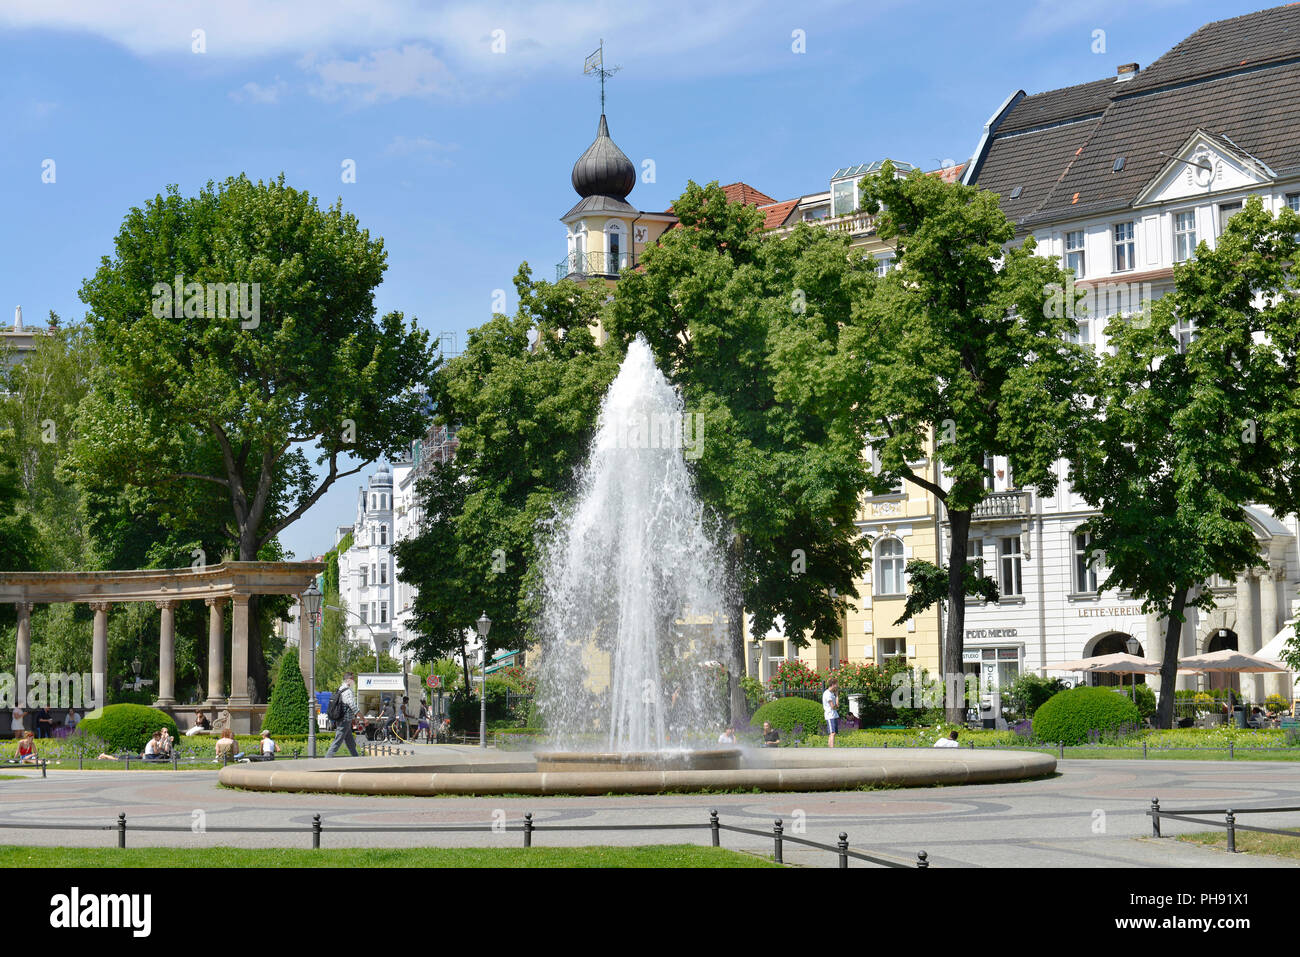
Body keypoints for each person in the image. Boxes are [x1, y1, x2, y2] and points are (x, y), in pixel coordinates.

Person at [325, 672, 360, 757]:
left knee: (351, 744)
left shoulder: (340, 689)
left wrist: (353, 718)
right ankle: (326, 760)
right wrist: (363, 718)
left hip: (344, 720)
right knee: (337, 742)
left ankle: (357, 759)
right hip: (344, 721)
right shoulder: (347, 691)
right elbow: (352, 706)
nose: (354, 682)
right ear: (348, 680)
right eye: (353, 679)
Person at [822, 677, 840, 749]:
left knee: (833, 733)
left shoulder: (832, 693)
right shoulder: (827, 694)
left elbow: (836, 705)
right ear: (832, 684)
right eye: (836, 684)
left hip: (834, 715)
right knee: (832, 733)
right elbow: (833, 706)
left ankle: (830, 748)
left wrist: (837, 696)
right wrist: (836, 705)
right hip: (830, 715)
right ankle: (831, 749)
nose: (837, 686)